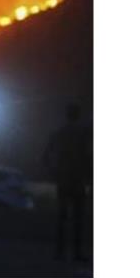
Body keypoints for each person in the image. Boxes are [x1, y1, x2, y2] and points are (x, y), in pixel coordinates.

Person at [42, 103, 91, 261]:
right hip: (78, 180)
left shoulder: (59, 133)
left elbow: (46, 155)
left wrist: (53, 172)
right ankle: (76, 252)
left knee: (62, 217)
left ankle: (60, 251)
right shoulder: (84, 133)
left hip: (63, 179)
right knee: (78, 218)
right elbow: (89, 155)